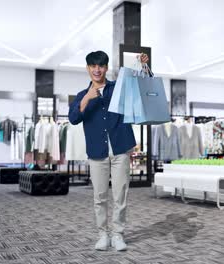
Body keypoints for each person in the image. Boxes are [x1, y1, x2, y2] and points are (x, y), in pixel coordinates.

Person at [69, 50, 149, 251]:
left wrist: (142, 66)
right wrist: (87, 97)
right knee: (100, 196)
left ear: (106, 68)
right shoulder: (81, 95)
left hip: (120, 148)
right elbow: (73, 118)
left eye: (101, 66)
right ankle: (103, 234)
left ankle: (118, 234)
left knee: (120, 194)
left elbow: (139, 86)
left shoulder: (118, 88)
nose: (97, 70)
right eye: (93, 66)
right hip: (97, 152)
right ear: (88, 68)